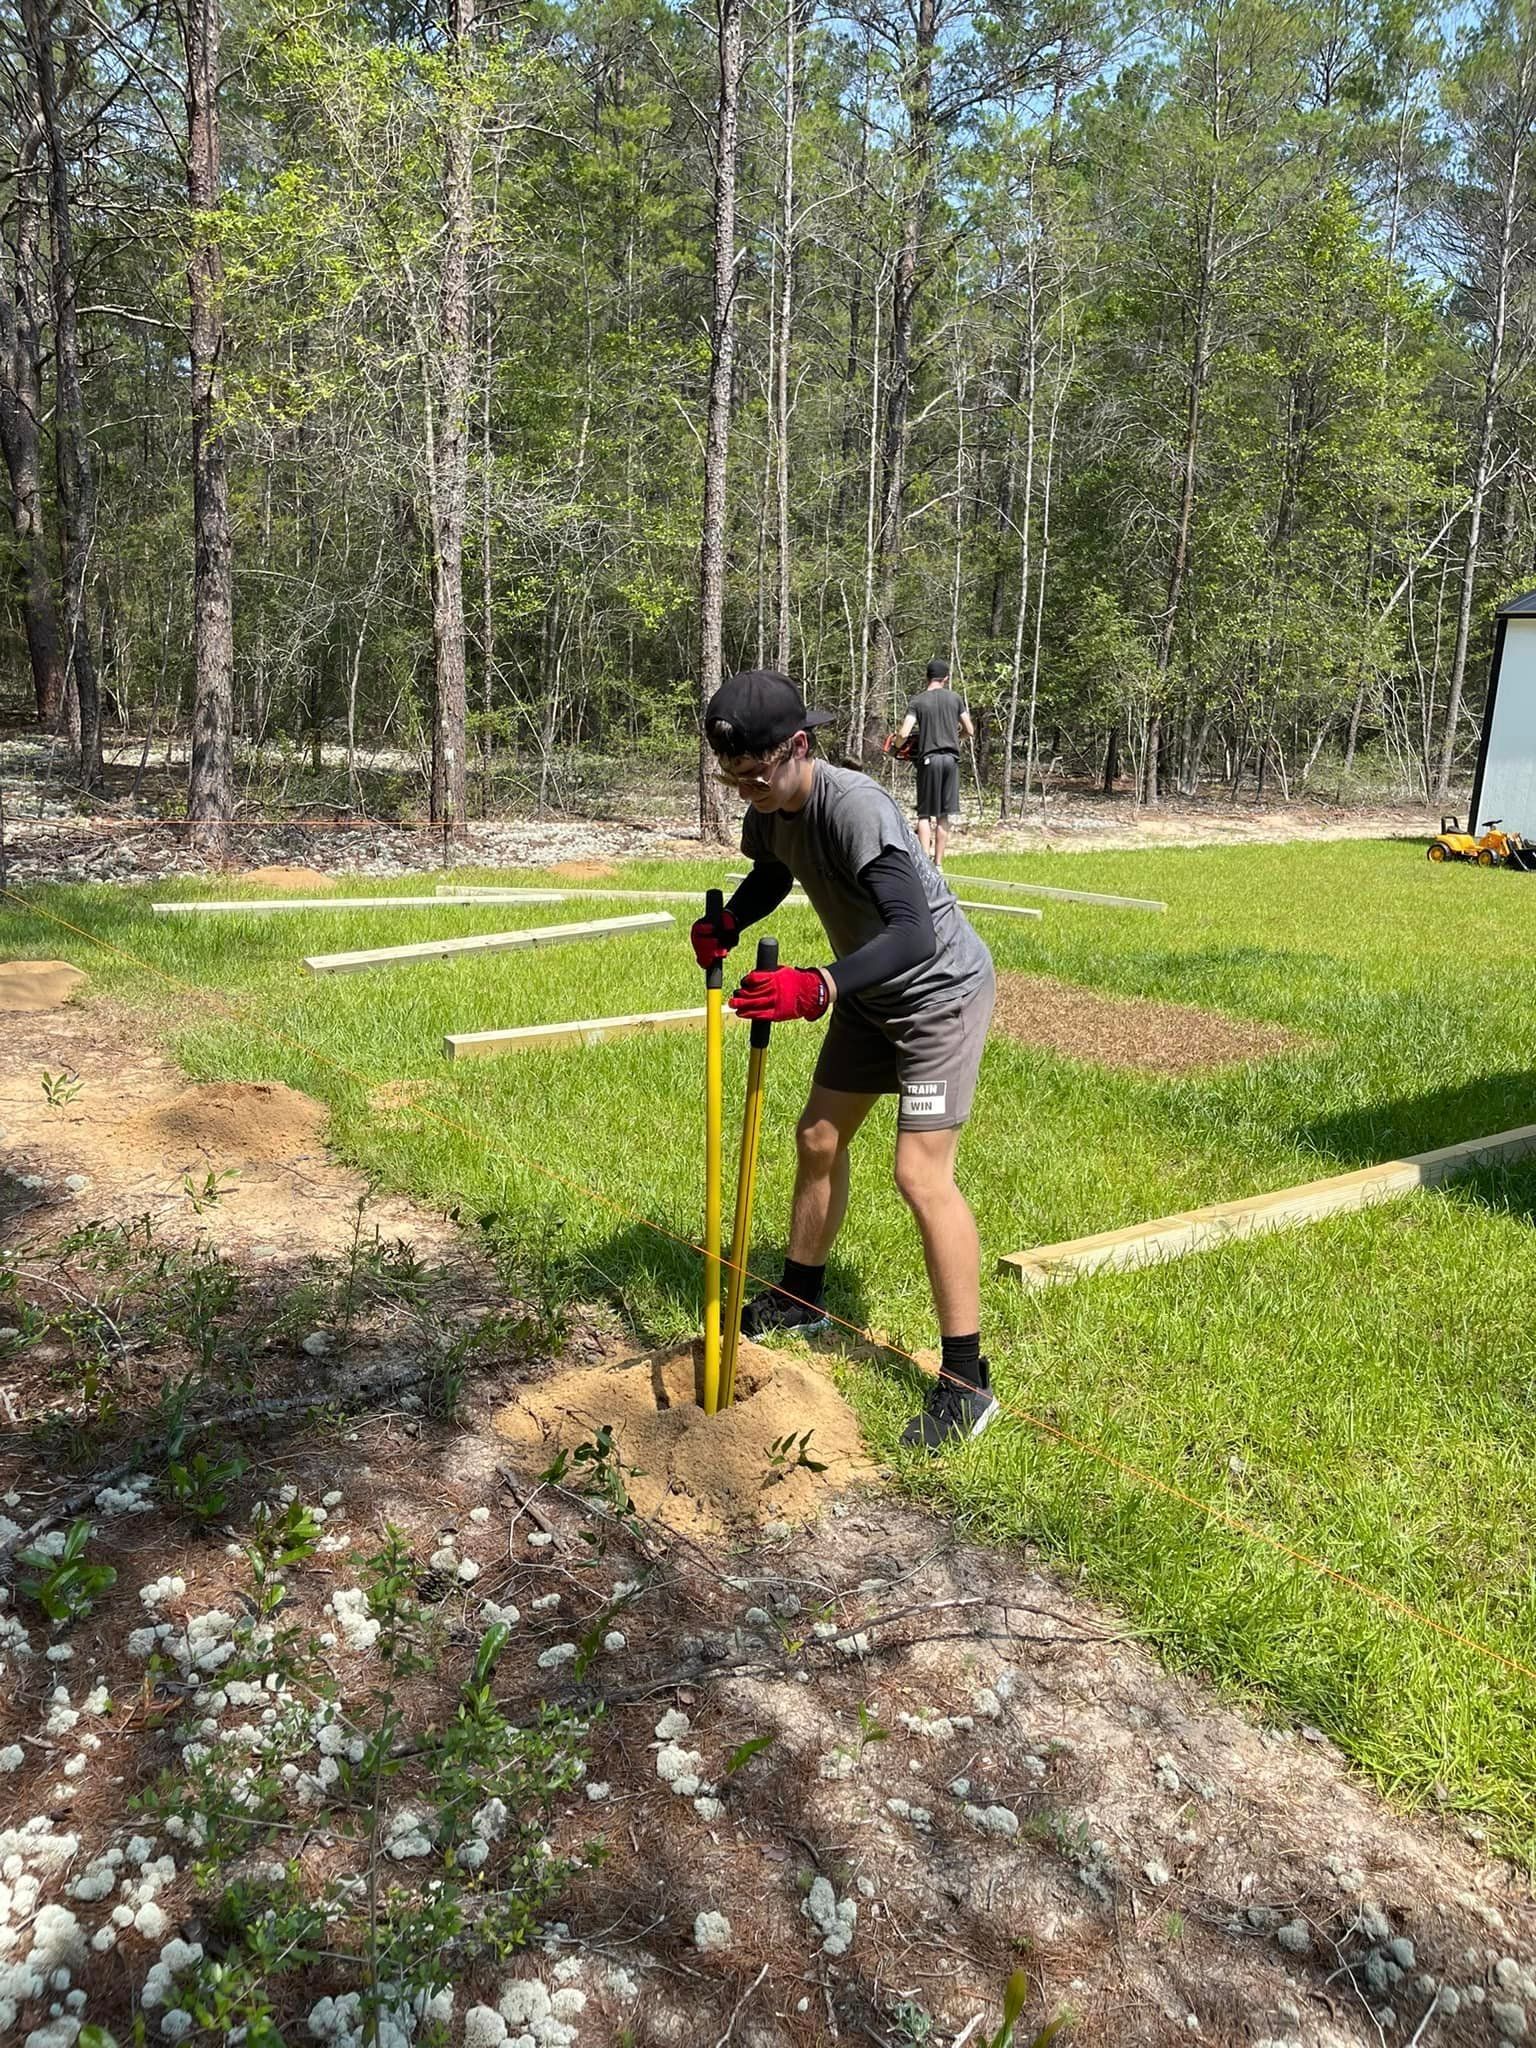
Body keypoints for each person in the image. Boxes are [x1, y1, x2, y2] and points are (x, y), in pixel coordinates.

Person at [692, 668, 998, 1450]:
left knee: (920, 1175)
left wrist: (820, 983)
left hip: (937, 995)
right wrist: (729, 920)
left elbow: (914, 933)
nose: (746, 788)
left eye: (757, 772)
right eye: (733, 777)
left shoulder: (856, 806)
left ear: (799, 746)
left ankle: (967, 1383)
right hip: (870, 993)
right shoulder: (769, 810)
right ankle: (802, 1297)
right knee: (818, 1137)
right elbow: (772, 871)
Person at [897, 658, 974, 870]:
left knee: (924, 814)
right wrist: (956, 738)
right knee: (943, 815)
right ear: (946, 678)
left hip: (928, 760)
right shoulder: (955, 699)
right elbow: (970, 729)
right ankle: (938, 864)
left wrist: (896, 745)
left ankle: (923, 864)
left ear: (926, 677)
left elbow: (904, 732)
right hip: (951, 760)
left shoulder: (918, 701)